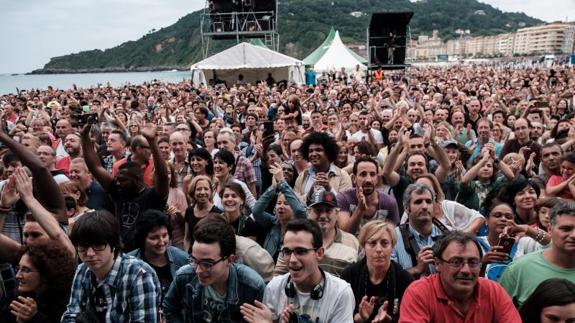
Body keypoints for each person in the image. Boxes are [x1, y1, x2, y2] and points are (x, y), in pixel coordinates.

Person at [80, 123, 169, 251]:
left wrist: (152, 141)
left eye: (122, 180)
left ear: (138, 180)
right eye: (117, 179)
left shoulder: (153, 196)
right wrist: (85, 139)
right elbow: (96, 167)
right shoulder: (118, 191)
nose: (117, 183)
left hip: (149, 251)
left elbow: (163, 175)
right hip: (122, 252)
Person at [61, 210, 161, 322]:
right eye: (83, 246)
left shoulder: (139, 274)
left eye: (98, 245)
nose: (89, 253)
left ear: (113, 245)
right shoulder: (82, 270)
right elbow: (71, 316)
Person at [399, 231, 521, 322]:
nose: (466, 270)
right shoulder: (419, 293)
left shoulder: (493, 291)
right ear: (437, 264)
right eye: (456, 262)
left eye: (473, 262)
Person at [163, 216, 266, 322]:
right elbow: (169, 308)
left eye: (207, 264)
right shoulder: (184, 276)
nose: (198, 270)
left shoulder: (253, 286)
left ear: (230, 260)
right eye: (194, 260)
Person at [252, 219, 355, 322]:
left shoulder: (340, 293)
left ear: (319, 253)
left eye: (300, 251)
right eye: (287, 251)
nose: (292, 260)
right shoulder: (274, 288)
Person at [499, 200, 575, 308]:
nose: (573, 235)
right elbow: (498, 313)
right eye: (566, 229)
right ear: (550, 229)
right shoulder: (519, 269)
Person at [341, 220, 414, 323]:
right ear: (363, 246)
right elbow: (339, 318)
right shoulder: (349, 276)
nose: (379, 249)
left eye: (384, 243)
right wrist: (359, 318)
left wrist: (389, 320)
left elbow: (410, 319)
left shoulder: (405, 280)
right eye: (372, 243)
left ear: (392, 246)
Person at [2, 243, 76, 323]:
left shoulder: (67, 300)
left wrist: (35, 317)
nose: (17, 275)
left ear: (46, 273)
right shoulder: (23, 294)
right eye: (18, 268)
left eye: (26, 270)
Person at [127, 210, 189, 299]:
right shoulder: (130, 262)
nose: (161, 242)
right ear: (142, 239)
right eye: (154, 238)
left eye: (164, 236)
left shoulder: (182, 259)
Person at [251, 162, 307, 260]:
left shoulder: (300, 223)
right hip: (269, 268)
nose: (281, 206)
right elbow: (256, 211)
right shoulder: (272, 222)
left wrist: (282, 182)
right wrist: (273, 188)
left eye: (286, 204)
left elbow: (299, 210)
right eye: (278, 203)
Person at [392, 183, 446, 277]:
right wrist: (416, 269)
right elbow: (388, 277)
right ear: (407, 208)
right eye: (418, 202)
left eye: (428, 201)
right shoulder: (393, 237)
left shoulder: (447, 235)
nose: (425, 206)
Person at [338, 157, 400, 234]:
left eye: (372, 174)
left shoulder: (389, 202)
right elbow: (345, 234)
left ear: (377, 178)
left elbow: (393, 236)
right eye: (363, 174)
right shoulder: (344, 198)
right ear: (354, 178)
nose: (368, 180)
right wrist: (360, 210)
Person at [293, 131, 352, 200]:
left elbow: (346, 205)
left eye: (318, 150)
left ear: (328, 152)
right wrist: (309, 195)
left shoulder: (343, 176)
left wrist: (329, 189)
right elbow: (295, 204)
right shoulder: (302, 177)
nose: (314, 154)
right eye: (310, 151)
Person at [183, 175, 223, 252]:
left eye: (206, 189)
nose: (202, 192)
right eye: (198, 189)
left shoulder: (218, 214)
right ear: (193, 192)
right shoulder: (189, 211)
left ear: (211, 191)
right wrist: (186, 256)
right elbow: (187, 238)